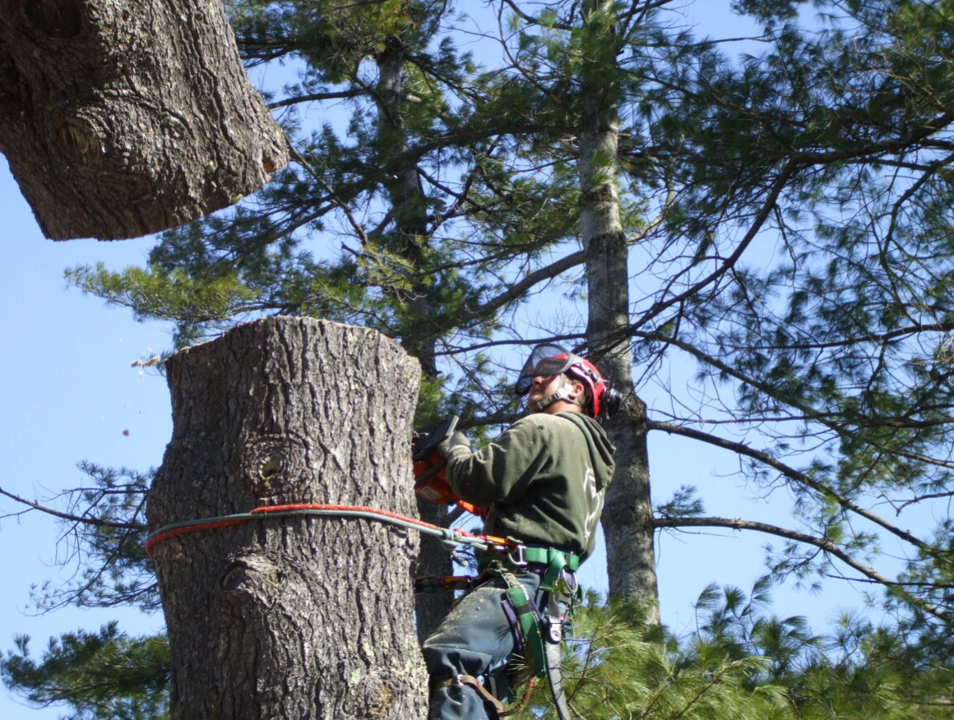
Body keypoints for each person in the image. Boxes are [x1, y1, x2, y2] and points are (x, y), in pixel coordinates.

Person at [422, 345, 616, 720]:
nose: (535, 381)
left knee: (450, 661)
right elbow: (538, 509)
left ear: (576, 390)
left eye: (548, 373)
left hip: (521, 583)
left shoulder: (544, 427)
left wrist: (455, 449)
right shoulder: (589, 457)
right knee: (484, 690)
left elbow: (479, 481)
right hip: (549, 599)